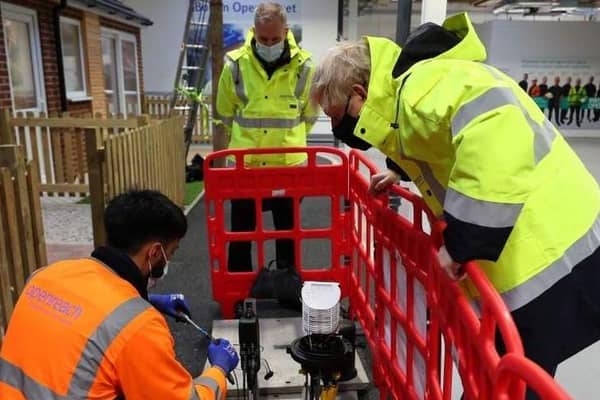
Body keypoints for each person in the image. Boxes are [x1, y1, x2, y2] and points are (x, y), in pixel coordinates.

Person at [310, 13, 600, 399]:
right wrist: (399, 169)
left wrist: (464, 242)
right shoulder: (416, 89)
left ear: (360, 94)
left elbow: (493, 132)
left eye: (336, 114)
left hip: (552, 258)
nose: (337, 128)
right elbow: (436, 140)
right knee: (502, 379)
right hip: (550, 248)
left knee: (508, 382)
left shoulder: (419, 88)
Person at [0, 190, 239, 399]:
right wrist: (218, 369)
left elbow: (86, 313)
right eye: (171, 252)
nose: (170, 258)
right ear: (155, 252)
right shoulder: (140, 327)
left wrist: (148, 301)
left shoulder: (45, 276)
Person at [216, 2, 318, 275]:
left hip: (288, 166)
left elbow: (309, 115)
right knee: (241, 232)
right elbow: (225, 112)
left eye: (275, 38)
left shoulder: (305, 67)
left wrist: (290, 139)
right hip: (245, 167)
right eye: (263, 38)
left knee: (287, 234)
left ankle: (287, 286)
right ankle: (240, 288)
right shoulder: (235, 65)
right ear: (254, 31)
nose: (269, 43)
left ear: (285, 31)